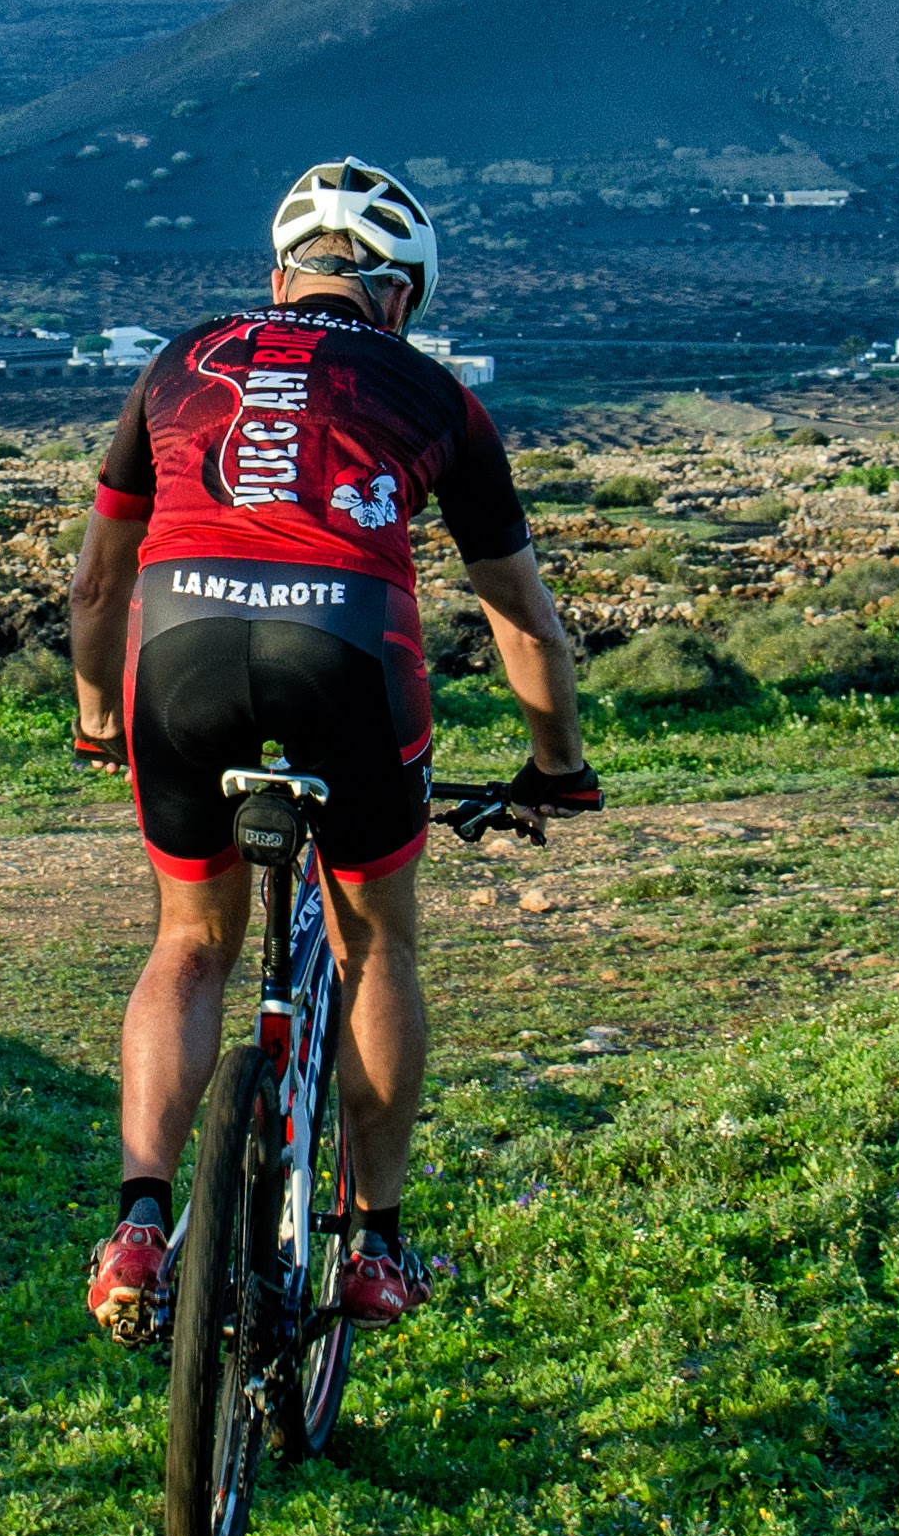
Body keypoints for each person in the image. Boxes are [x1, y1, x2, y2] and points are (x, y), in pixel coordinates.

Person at [67, 159, 593, 1345]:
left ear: (276, 276)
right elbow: (521, 616)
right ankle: (373, 1245)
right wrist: (556, 760)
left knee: (190, 943)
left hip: (180, 647)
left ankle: (142, 1222)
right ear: (400, 295)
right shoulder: (434, 395)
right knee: (372, 945)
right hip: (347, 653)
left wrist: (99, 717)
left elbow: (98, 578)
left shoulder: (177, 361)